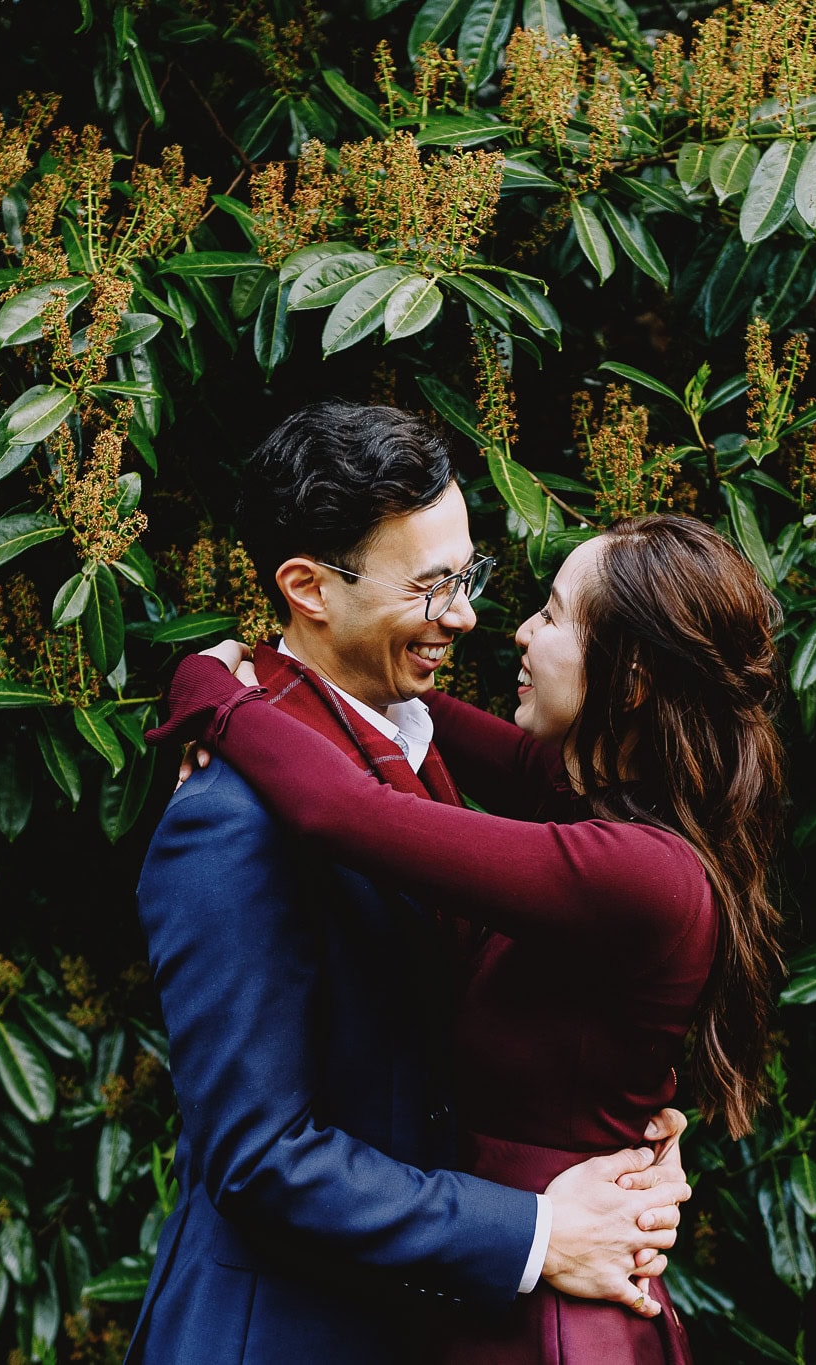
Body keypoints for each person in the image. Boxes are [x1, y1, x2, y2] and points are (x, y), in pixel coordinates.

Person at [125, 404, 694, 1365]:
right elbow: (260, 1156)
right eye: (433, 587)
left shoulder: (424, 743)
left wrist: (628, 1143)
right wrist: (537, 1233)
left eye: (465, 576)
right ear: (308, 587)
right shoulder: (230, 817)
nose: (467, 616)